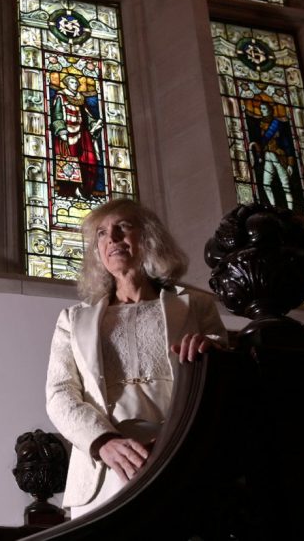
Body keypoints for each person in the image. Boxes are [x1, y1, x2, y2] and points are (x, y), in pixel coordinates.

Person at [45, 198, 227, 518]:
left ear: (149, 238)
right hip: (103, 472)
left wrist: (212, 349)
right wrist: (103, 442)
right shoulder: (72, 321)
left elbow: (223, 371)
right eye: (101, 233)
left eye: (123, 227)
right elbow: (59, 394)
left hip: (180, 456)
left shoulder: (195, 306)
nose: (112, 238)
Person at [51, 74, 104, 199]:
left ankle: (85, 190)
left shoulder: (80, 99)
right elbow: (57, 114)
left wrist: (94, 124)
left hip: (82, 133)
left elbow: (87, 115)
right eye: (74, 82)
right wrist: (61, 130)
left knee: (89, 161)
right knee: (69, 163)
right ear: (68, 83)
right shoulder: (61, 96)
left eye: (77, 82)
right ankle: (70, 191)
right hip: (67, 135)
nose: (77, 84)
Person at [249, 102, 295, 210]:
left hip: (279, 156)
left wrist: (290, 163)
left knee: (286, 186)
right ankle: (273, 208)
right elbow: (261, 142)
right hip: (268, 156)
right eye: (261, 109)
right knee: (266, 184)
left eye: (264, 108)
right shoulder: (260, 124)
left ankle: (290, 210)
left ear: (270, 110)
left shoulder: (276, 123)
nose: (262, 111)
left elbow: (286, 143)